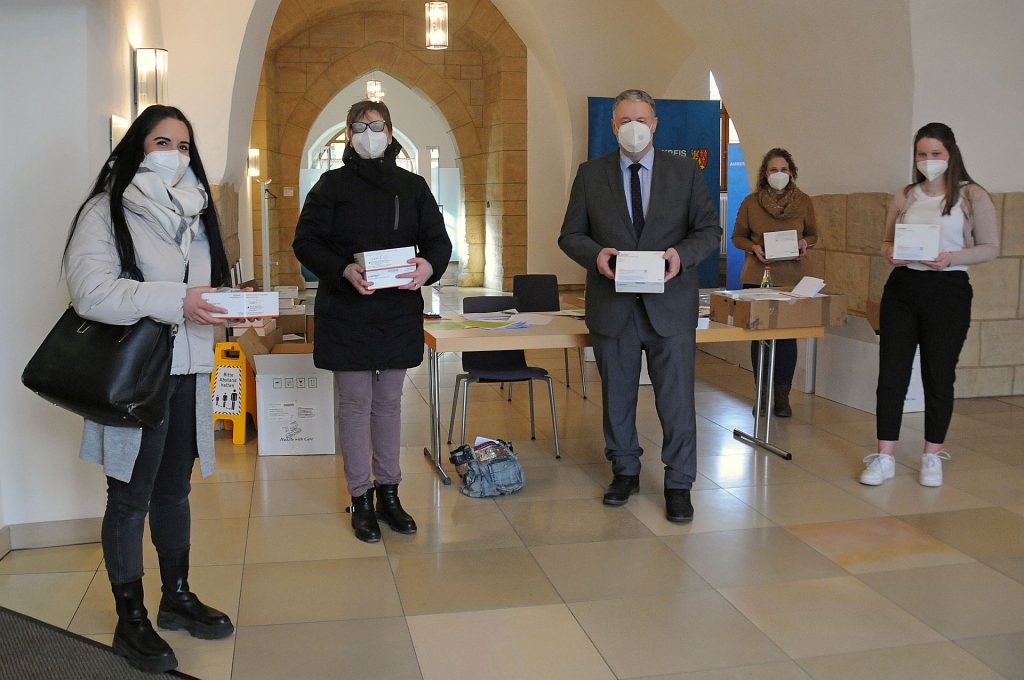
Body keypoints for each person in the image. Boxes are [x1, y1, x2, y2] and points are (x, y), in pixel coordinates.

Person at [63, 105, 235, 673]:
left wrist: (232, 311)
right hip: (136, 378)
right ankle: (129, 617)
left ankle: (176, 597)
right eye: (163, 142)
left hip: (188, 371)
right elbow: (91, 294)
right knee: (130, 495)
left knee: (174, 491)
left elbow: (203, 294)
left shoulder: (198, 211)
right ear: (139, 146)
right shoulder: (106, 210)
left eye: (185, 146)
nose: (175, 155)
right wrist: (175, 300)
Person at [558, 89, 721, 523]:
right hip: (614, 307)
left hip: (670, 308)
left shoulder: (685, 172)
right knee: (618, 396)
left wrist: (679, 256)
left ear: (655, 124)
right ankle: (625, 470)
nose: (634, 127)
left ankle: (679, 482)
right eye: (625, 120)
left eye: (641, 119)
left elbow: (708, 231)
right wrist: (597, 256)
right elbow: (570, 235)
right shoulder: (591, 175)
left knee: (677, 400)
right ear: (613, 127)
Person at [293, 100, 451, 543]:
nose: (368, 133)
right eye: (360, 127)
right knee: (355, 404)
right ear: (348, 134)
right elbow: (305, 242)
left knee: (389, 404)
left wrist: (427, 268)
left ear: (390, 130)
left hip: (397, 310)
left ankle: (390, 491)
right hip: (347, 310)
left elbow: (438, 242)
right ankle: (360, 496)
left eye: (376, 125)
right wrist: (343, 268)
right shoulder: (329, 185)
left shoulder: (413, 186)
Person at [861, 122, 998, 487]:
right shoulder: (906, 195)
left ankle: (932, 455)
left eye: (935, 153)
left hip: (948, 289)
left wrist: (951, 257)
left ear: (950, 153)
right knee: (892, 372)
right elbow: (886, 241)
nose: (928, 160)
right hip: (905, 287)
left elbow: (990, 247)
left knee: (939, 374)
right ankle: (884, 455)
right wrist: (891, 252)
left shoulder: (972, 196)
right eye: (922, 154)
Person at [731, 148, 818, 417]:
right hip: (759, 277)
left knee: (786, 339)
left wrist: (805, 243)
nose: (778, 174)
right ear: (764, 173)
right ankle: (763, 394)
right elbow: (738, 237)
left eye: (783, 170)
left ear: (791, 172)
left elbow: (814, 234)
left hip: (792, 278)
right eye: (773, 170)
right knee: (761, 338)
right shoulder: (750, 202)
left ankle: (782, 397)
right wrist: (753, 248)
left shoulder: (803, 202)